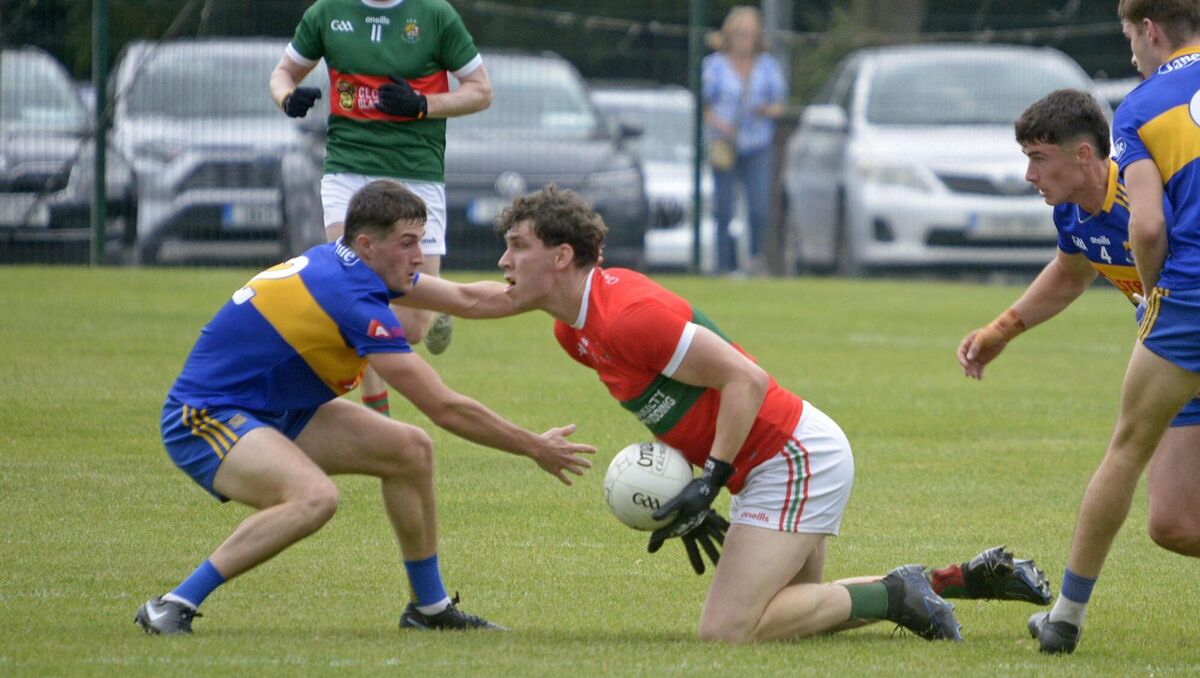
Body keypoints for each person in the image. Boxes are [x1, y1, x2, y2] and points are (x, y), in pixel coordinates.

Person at [397, 185, 1055, 643]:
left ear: (561, 256)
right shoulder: (574, 327)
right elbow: (472, 299)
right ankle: (950, 582)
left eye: (517, 246)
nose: (505, 262)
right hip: (766, 461)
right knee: (795, 618)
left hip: (790, 456)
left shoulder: (627, 316)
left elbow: (745, 378)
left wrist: (711, 476)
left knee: (731, 631)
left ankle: (905, 592)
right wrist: (370, 273)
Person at [134, 180, 594, 636]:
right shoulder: (351, 298)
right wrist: (534, 446)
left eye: (421, 241)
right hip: (205, 416)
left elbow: (468, 298)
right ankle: (172, 603)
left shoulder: (355, 267)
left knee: (409, 450)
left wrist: (563, 291)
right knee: (313, 498)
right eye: (408, 243)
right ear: (368, 244)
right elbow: (445, 407)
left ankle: (428, 609)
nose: (419, 256)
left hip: (278, 410)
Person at [1023, 1, 1200, 655]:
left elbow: (1147, 227)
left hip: (1189, 297)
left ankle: (1065, 616)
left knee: (1127, 448)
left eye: (1131, 40)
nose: (1133, 54)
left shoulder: (1143, 106)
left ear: (1150, 31)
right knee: (1175, 520)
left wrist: (1156, 300)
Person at [960, 87, 1200, 556]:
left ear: (1084, 155)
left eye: (1038, 158)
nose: (1029, 174)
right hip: (1176, 364)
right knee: (1170, 523)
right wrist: (1002, 330)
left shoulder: (1145, 200)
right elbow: (1071, 274)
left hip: (1179, 347)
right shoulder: (1072, 213)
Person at [269, 0, 494, 418]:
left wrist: (422, 104)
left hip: (416, 172)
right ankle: (377, 408)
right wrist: (287, 97)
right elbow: (284, 73)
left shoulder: (435, 15)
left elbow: (481, 92)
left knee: (410, 328)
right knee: (354, 290)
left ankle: (437, 313)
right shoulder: (327, 12)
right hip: (347, 170)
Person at [702, 6, 787, 276]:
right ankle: (724, 267)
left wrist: (764, 109)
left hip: (757, 145)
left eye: (750, 33)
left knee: (758, 209)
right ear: (730, 34)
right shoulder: (714, 66)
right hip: (724, 146)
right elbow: (703, 105)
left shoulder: (768, 66)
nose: (745, 38)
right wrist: (721, 124)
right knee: (724, 209)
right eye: (740, 33)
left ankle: (755, 262)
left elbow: (779, 106)